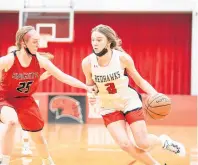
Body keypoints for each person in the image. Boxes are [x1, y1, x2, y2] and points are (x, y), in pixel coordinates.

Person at [82, 24, 186, 165]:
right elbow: (89, 85)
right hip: (108, 105)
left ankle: (163, 141)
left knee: (142, 143)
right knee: (125, 144)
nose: (95, 43)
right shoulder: (87, 63)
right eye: (93, 39)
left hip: (128, 100)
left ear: (109, 41)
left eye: (99, 40)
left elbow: (139, 80)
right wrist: (91, 96)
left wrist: (155, 94)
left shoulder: (122, 58)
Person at [0, 26, 95, 165]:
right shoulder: (7, 60)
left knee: (38, 137)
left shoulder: (40, 61)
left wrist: (86, 86)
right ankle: (5, 160)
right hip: (5, 99)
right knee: (12, 121)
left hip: (26, 100)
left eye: (39, 41)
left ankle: (47, 161)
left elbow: (63, 77)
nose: (38, 45)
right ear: (23, 43)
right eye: (35, 42)